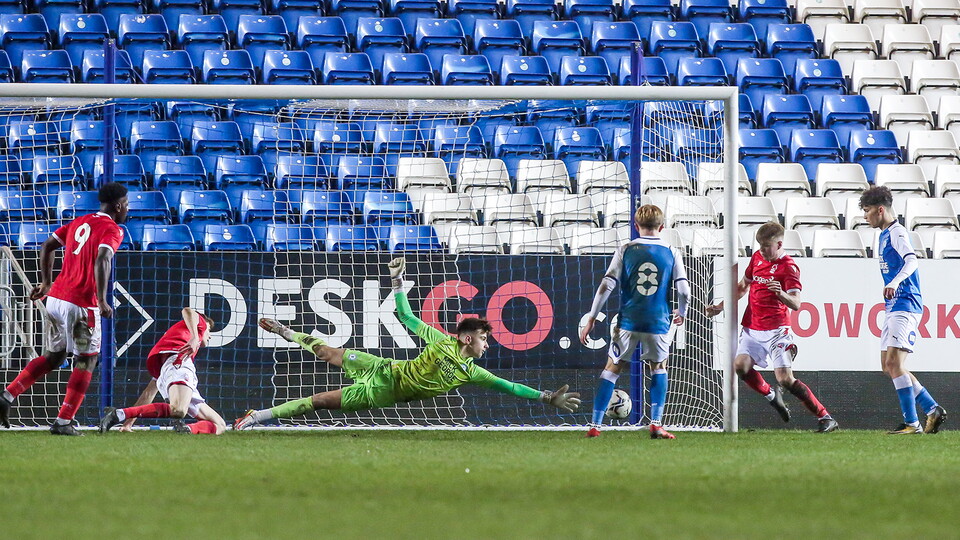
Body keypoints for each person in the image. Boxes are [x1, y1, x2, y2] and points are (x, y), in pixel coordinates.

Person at [234, 258, 581, 429]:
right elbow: (409, 318)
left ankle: (256, 417)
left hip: (382, 393)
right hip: (384, 368)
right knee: (327, 352)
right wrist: (397, 282)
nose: (487, 344)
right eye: (484, 338)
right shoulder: (442, 340)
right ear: (466, 337)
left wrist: (546, 397)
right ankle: (286, 331)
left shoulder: (471, 373)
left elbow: (510, 387)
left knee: (319, 401)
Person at [0, 182, 128, 435]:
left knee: (54, 356)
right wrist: (101, 299)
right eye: (127, 205)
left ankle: (6, 395)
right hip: (82, 304)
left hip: (57, 299)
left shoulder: (80, 221)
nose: (127, 209)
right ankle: (63, 422)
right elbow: (103, 259)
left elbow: (47, 245)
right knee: (87, 360)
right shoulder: (113, 229)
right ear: (117, 206)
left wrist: (46, 282)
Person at [706, 221, 839, 433]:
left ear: (778, 244)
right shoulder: (757, 258)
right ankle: (771, 396)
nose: (761, 250)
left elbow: (796, 304)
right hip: (752, 328)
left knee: (785, 379)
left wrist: (781, 293)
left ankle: (825, 417)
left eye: (766, 246)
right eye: (759, 245)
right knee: (740, 366)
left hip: (777, 330)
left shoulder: (789, 267)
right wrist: (722, 306)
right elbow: (742, 286)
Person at [579, 204, 689, 439]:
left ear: (636, 225)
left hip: (628, 321)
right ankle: (656, 423)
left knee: (612, 369)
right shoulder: (672, 251)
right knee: (658, 367)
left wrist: (591, 318)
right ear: (662, 226)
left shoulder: (626, 249)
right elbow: (684, 290)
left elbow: (606, 285)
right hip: (658, 322)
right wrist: (682, 311)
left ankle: (595, 425)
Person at [860, 186, 946, 434]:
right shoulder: (884, 234)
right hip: (894, 305)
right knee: (887, 366)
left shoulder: (897, 232)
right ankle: (931, 409)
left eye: (867, 211)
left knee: (894, 363)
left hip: (905, 302)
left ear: (879, 210)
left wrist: (895, 282)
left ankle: (912, 423)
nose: (865, 217)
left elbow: (912, 259)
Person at [99, 307, 226, 435]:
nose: (209, 336)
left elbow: (149, 393)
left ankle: (186, 429)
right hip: (180, 364)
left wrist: (128, 423)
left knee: (220, 425)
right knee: (179, 410)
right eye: (209, 330)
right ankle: (119, 414)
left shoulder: (166, 361)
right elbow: (187, 311)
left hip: (171, 371)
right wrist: (194, 336)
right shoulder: (196, 327)